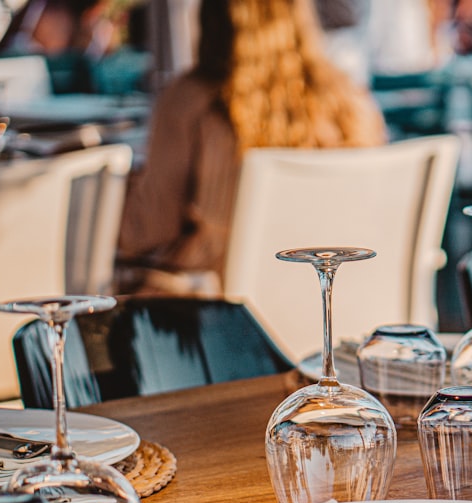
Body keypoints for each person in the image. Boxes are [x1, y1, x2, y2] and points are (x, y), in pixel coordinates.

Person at [115, 0, 387, 296]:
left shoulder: (191, 103)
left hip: (221, 322)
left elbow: (145, 231)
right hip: (333, 307)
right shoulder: (350, 102)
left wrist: (116, 193)